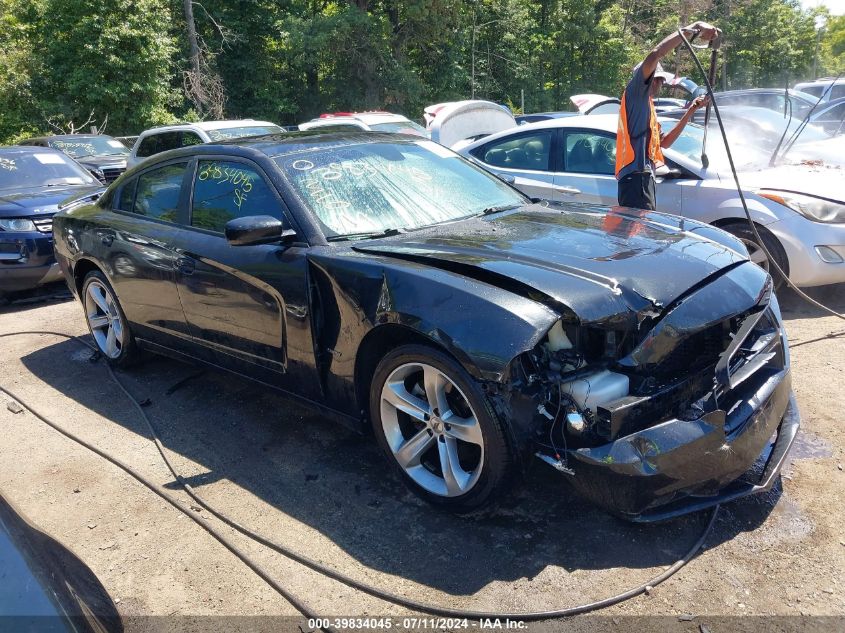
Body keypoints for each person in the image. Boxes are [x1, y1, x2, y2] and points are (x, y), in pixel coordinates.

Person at [616, 21, 720, 210]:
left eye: (661, 80)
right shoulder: (635, 91)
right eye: (657, 79)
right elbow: (657, 53)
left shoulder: (646, 107)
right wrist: (692, 29)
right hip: (635, 177)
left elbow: (665, 143)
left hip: (644, 177)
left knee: (641, 233)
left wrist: (691, 111)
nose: (660, 84)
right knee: (637, 233)